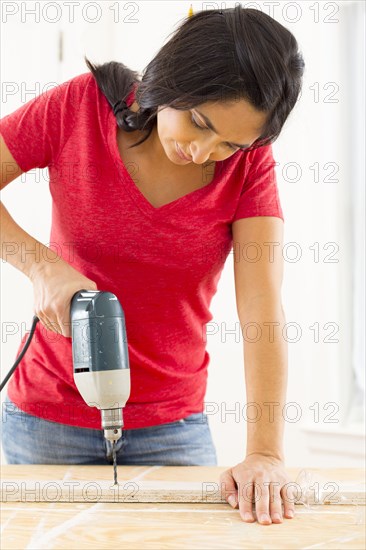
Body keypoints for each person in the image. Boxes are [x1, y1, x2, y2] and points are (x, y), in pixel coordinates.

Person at [0, 7, 304, 524]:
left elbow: (262, 313)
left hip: (173, 424)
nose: (202, 150)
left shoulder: (251, 165)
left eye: (230, 144)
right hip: (46, 417)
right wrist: (40, 266)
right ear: (172, 79)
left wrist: (266, 454)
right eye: (200, 123)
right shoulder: (78, 108)